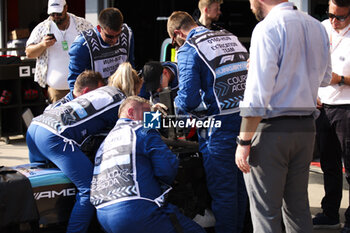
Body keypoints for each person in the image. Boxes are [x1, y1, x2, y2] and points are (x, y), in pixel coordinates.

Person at [234, 0, 332, 232]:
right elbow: (325, 78)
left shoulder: (267, 27)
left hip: (271, 130)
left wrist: (243, 140)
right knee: (298, 209)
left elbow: (257, 97)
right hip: (305, 128)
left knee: (265, 214)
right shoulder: (317, 26)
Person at [26, 62, 142, 233]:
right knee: (89, 190)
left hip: (35, 127)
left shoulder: (101, 92)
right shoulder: (123, 102)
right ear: (134, 88)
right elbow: (140, 127)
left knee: (39, 189)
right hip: (54, 137)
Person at [167, 11, 249, 233]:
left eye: (174, 42)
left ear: (177, 34)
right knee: (241, 187)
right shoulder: (229, 37)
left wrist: (178, 116)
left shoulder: (188, 48)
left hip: (219, 127)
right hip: (249, 122)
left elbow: (188, 99)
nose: (176, 45)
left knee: (224, 192)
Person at [90, 95, 205, 233]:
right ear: (131, 112)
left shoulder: (105, 141)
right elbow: (167, 168)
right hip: (136, 211)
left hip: (103, 216)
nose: (149, 118)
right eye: (146, 113)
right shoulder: (142, 129)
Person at [313, 0, 350, 232]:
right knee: (329, 164)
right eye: (330, 15)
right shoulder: (322, 27)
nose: (334, 21)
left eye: (341, 17)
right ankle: (330, 212)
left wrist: (342, 80)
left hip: (347, 107)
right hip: (322, 106)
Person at [25, 0, 93, 103]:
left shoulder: (81, 24)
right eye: (53, 14)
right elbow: (29, 53)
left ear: (66, 8)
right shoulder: (42, 28)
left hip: (81, 87)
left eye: (59, 13)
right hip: (56, 90)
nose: (56, 16)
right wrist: (42, 45)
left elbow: (95, 44)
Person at [68, 7, 135, 91]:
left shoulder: (127, 34)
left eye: (118, 35)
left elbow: (131, 65)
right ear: (99, 28)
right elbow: (75, 84)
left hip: (120, 92)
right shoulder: (82, 45)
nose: (114, 40)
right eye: (109, 36)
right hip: (95, 96)